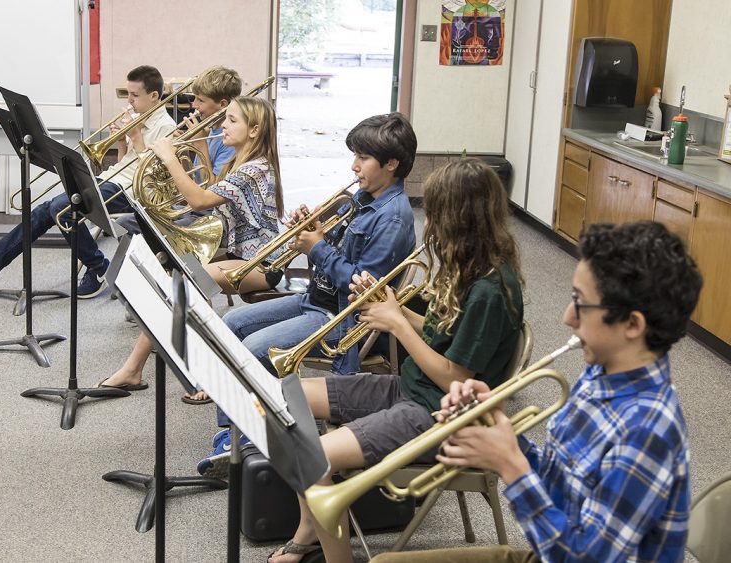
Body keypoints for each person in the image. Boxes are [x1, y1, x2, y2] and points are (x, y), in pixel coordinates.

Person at [372, 220, 703, 563]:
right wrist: (500, 429)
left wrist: (511, 466)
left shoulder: (648, 428)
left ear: (632, 325)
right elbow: (566, 483)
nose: (567, 317)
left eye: (581, 303)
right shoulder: (602, 374)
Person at [267, 158, 525, 563]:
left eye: (436, 213)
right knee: (287, 397)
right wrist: (395, 308)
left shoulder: (490, 291)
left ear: (458, 218)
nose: (430, 222)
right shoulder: (467, 266)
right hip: (410, 386)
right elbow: (442, 335)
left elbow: (453, 377)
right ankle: (311, 528)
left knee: (312, 453)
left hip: (440, 414)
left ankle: (335, 555)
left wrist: (397, 327)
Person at [196, 112, 418, 477]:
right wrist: (315, 231)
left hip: (342, 319)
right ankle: (232, 432)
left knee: (254, 350)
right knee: (230, 323)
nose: (354, 165)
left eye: (363, 158)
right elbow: (341, 248)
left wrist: (316, 249)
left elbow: (367, 289)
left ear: (392, 163)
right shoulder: (362, 197)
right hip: (316, 298)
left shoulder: (392, 217)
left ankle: (249, 436)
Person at [0, 65, 175, 299]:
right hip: (112, 180)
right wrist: (123, 143)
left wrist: (137, 139)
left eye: (135, 95)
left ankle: (99, 268)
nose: (129, 101)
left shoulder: (167, 128)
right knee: (44, 210)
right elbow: (125, 162)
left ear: (154, 96)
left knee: (60, 208)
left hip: (133, 191)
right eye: (129, 95)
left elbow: (155, 179)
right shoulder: (137, 118)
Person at [96, 96, 285, 392]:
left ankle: (191, 374)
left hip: (261, 264)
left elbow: (199, 200)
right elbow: (206, 192)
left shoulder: (255, 169)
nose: (222, 124)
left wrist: (171, 158)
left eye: (232, 120)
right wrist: (198, 146)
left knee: (187, 284)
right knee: (181, 284)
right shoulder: (240, 163)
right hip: (233, 253)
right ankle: (134, 369)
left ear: (254, 130)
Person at [113, 65, 241, 236]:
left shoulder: (229, 141)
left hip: (211, 216)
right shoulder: (208, 130)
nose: (194, 105)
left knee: (151, 230)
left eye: (201, 101)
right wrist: (184, 153)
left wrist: (199, 146)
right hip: (189, 206)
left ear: (222, 104)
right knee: (125, 222)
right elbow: (190, 183)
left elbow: (210, 194)